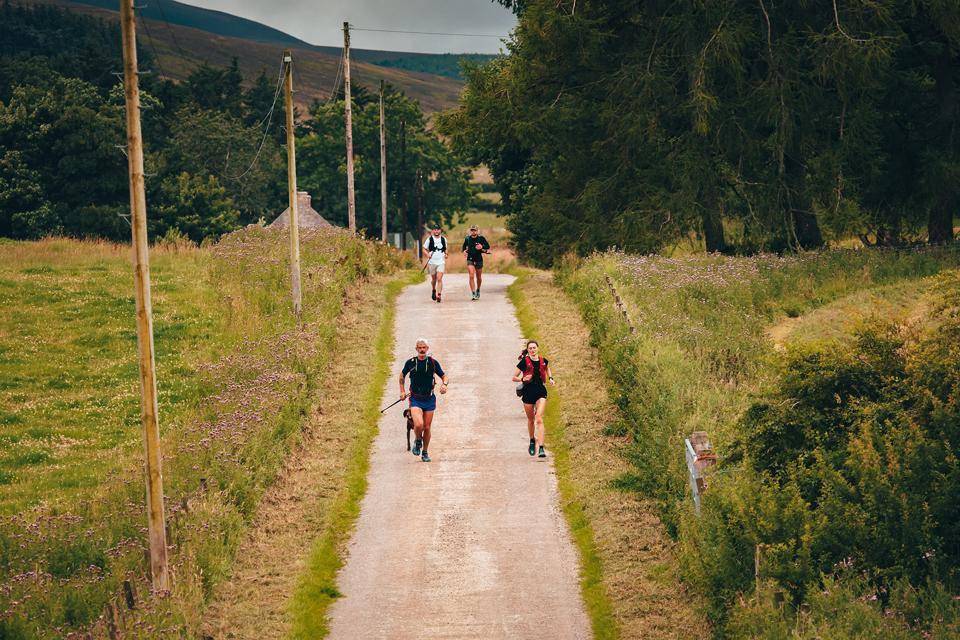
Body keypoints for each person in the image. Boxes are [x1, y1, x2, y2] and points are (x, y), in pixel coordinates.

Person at [399, 338, 449, 462]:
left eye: (424, 347)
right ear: (416, 349)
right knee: (419, 424)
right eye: (419, 347)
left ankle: (425, 452)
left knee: (426, 427)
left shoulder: (432, 363)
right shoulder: (410, 362)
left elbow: (444, 376)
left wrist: (444, 385)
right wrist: (402, 391)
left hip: (429, 399)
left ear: (427, 349)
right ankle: (417, 440)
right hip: (415, 398)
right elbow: (402, 376)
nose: (422, 350)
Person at [512, 340, 555, 458]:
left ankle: (541, 448)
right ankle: (532, 440)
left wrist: (551, 378)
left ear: (538, 348)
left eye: (534, 347)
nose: (532, 350)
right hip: (528, 393)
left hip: (541, 392)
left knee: (539, 418)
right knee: (531, 420)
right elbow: (514, 377)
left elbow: (547, 368)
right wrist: (522, 379)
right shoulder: (524, 362)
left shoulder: (543, 361)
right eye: (530, 348)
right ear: (528, 350)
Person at [461, 225, 490, 300]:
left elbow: (487, 247)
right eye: (472, 230)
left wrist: (482, 247)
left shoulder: (481, 238)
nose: (473, 232)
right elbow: (463, 248)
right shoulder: (467, 238)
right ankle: (473, 293)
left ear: (477, 231)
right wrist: (464, 251)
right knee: (471, 275)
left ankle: (478, 289)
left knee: (478, 277)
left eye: (475, 230)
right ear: (470, 231)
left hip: (479, 259)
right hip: (470, 258)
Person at [423, 224, 447, 303]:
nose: (436, 231)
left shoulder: (444, 239)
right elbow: (424, 249)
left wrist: (446, 254)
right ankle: (433, 289)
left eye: (438, 229)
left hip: (441, 262)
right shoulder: (429, 239)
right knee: (434, 279)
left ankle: (439, 295)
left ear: (440, 230)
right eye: (435, 230)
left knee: (439, 279)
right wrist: (427, 254)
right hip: (432, 262)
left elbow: (445, 250)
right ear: (433, 231)